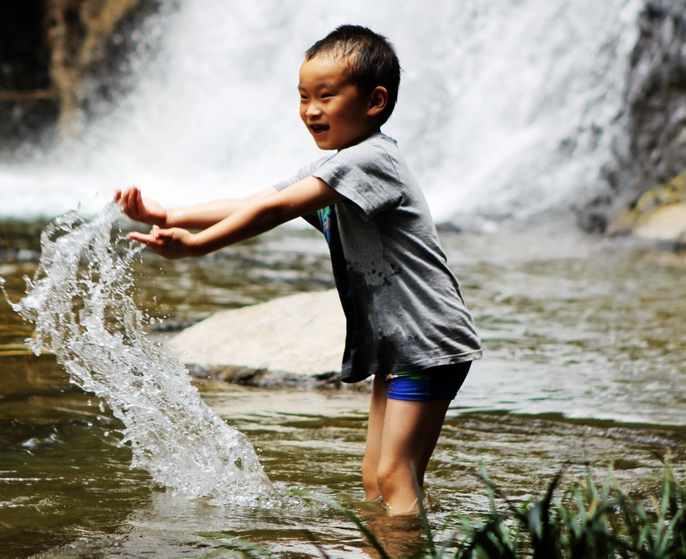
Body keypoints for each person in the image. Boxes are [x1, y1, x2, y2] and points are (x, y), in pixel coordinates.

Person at [115, 25, 481, 514]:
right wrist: (168, 216)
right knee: (376, 477)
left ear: (375, 101)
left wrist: (198, 246)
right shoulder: (339, 166)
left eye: (326, 96)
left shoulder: (369, 160)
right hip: (400, 344)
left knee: (396, 475)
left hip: (428, 342)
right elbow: (259, 199)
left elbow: (277, 209)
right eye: (304, 96)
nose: (311, 109)